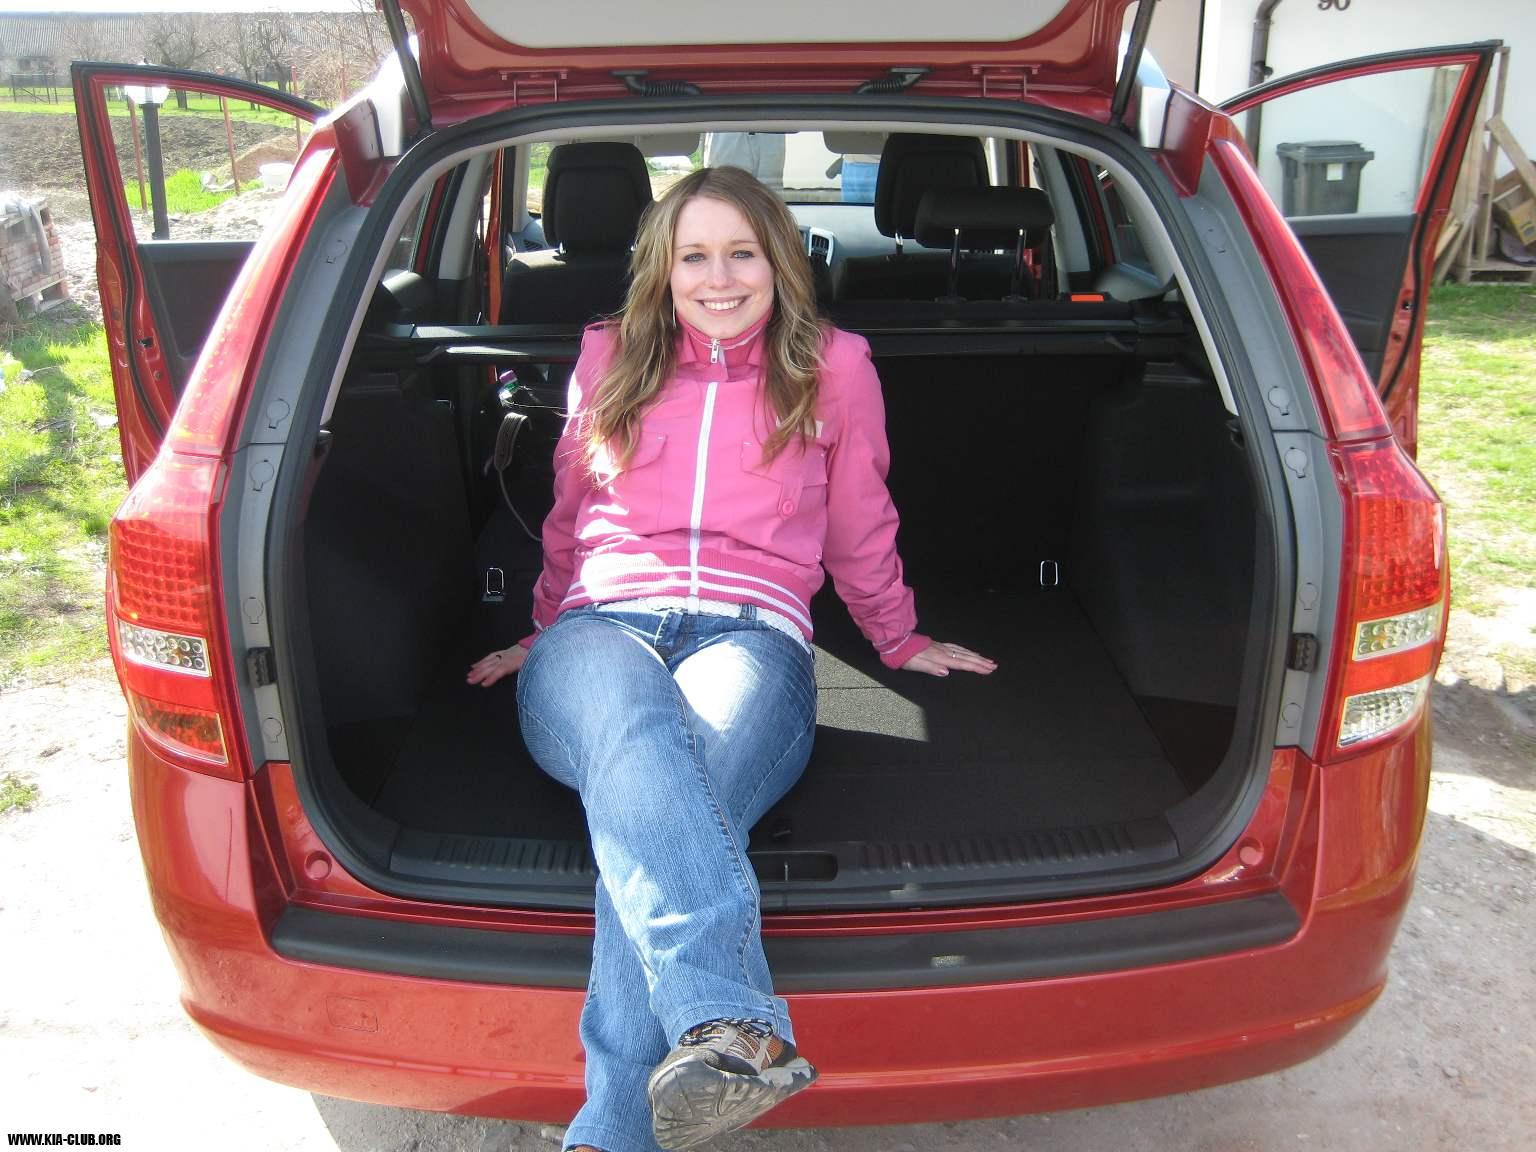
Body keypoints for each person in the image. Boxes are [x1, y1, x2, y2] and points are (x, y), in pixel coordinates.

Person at [467, 165, 995, 1152]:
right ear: (662, 271)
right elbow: (570, 515)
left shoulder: (834, 367)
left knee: (667, 801)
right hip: (602, 625)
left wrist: (897, 637)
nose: (719, 278)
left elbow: (860, 520)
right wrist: (540, 631)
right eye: (694, 256)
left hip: (753, 631)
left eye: (742, 253)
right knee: (636, 737)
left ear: (779, 262)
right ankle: (729, 1024)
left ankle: (623, 1123)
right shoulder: (609, 354)